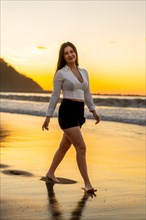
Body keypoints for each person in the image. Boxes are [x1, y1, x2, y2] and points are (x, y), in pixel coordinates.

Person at [42, 42, 100, 193]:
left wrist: (93, 110)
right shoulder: (61, 73)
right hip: (67, 112)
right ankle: (87, 184)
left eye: (71, 51)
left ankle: (50, 173)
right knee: (81, 147)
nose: (70, 55)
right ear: (63, 57)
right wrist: (48, 116)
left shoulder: (84, 72)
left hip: (79, 113)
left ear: (76, 53)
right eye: (66, 53)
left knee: (63, 147)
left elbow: (87, 93)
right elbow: (55, 95)